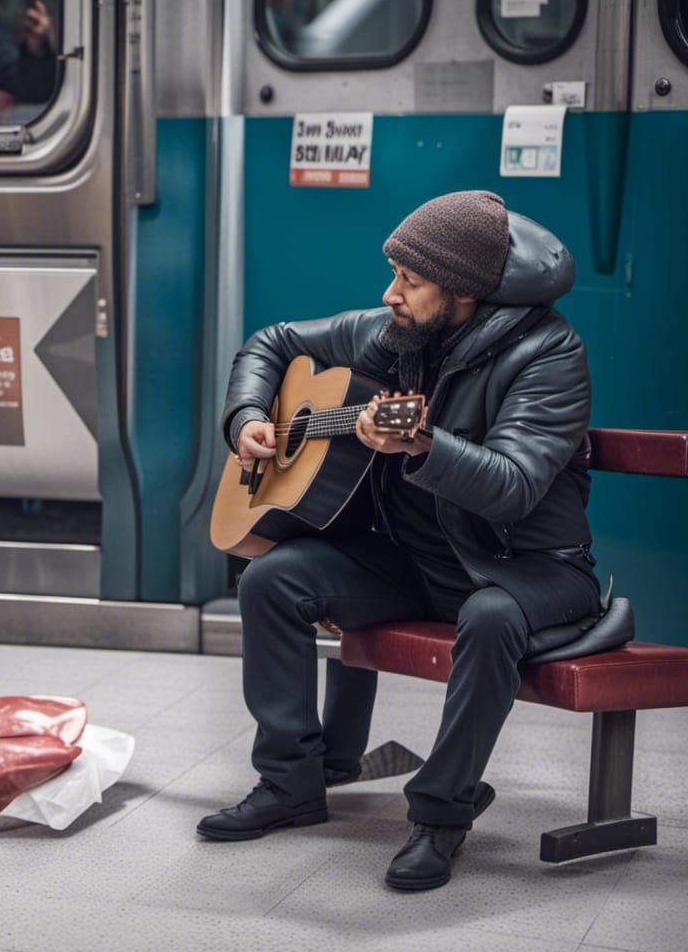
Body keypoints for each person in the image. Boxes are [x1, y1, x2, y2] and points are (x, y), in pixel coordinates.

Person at [200, 191, 611, 891]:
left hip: (526, 570)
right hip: (416, 563)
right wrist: (245, 418)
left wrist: (423, 444)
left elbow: (513, 484)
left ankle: (441, 815)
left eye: (408, 282)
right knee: (272, 579)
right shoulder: (396, 334)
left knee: (488, 616)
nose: (389, 293)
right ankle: (290, 784)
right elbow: (271, 342)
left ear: (463, 291)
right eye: (393, 274)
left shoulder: (550, 354)